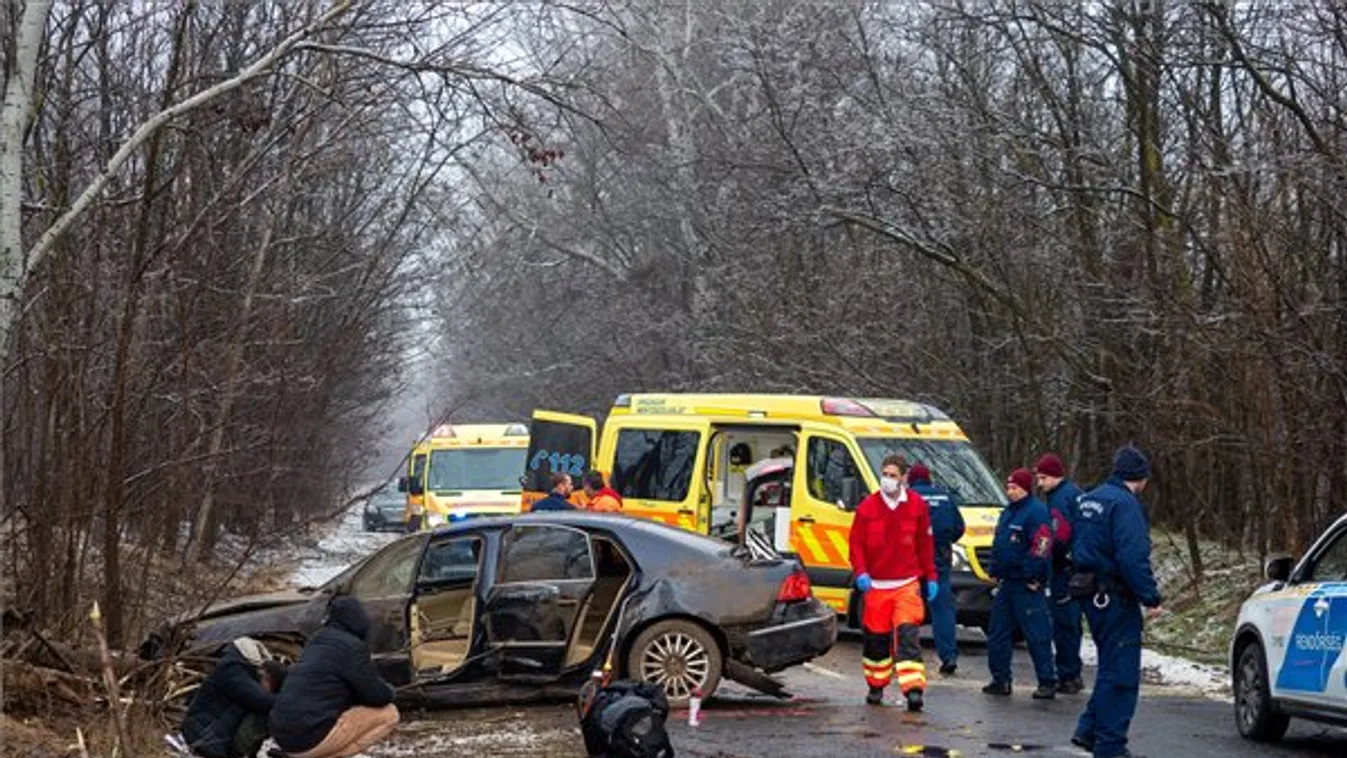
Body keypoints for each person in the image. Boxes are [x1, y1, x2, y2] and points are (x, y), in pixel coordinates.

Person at [1070, 446, 1164, 758]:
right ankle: (1110, 745)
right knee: (1121, 674)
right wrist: (1150, 597)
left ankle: (1088, 730)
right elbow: (1132, 556)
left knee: (1110, 667)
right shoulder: (1125, 505)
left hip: (1088, 592)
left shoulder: (1089, 499)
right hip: (1113, 597)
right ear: (1141, 478)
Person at [848, 454, 938, 711]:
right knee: (876, 641)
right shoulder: (868, 507)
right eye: (885, 474)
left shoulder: (916, 506)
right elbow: (856, 544)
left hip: (906, 583)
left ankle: (913, 690)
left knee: (908, 636)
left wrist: (930, 576)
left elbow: (925, 544)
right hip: (876, 586)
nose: (887, 480)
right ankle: (876, 685)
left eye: (893, 475)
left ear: (904, 478)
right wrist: (861, 572)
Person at [269, 596, 400, 758]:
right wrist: (391, 690)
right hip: (308, 738)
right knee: (389, 714)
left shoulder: (316, 640)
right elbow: (377, 696)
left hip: (283, 735)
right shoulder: (352, 647)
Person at [983, 468, 1057, 699]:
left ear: (1026, 488)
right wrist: (994, 569)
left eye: (1016, 488)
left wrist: (1032, 575)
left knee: (1036, 634)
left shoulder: (1036, 513)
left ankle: (1047, 680)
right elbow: (1000, 543)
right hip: (1007, 583)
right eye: (1009, 487)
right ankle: (1000, 679)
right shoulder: (1008, 513)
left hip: (1026, 584)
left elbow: (1041, 546)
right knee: (998, 633)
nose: (1011, 492)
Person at [1036, 452, 1087, 695]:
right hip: (1077, 566)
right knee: (1072, 623)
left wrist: (1047, 557)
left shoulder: (1060, 500)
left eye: (1043, 478)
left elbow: (1060, 535)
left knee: (1064, 623)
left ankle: (1068, 674)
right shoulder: (1075, 494)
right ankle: (1072, 672)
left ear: (1055, 476)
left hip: (1064, 569)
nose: (1040, 484)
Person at [907, 463, 965, 676]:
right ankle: (949, 656)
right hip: (940, 559)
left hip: (912, 561)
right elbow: (959, 527)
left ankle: (906, 655)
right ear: (929, 478)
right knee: (943, 610)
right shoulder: (945, 497)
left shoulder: (908, 497)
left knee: (908, 609)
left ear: (910, 479)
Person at [178, 637, 279, 758]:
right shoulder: (231, 671)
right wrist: (292, 701)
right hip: (204, 736)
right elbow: (259, 699)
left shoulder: (237, 671)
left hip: (209, 737)